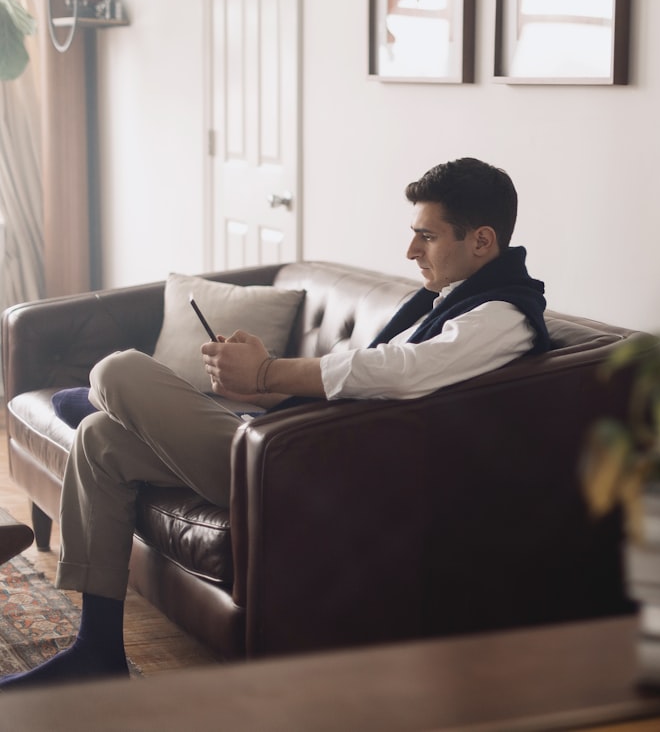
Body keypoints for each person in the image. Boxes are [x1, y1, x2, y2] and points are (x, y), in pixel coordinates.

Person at [0, 157, 549, 689]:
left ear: (481, 240)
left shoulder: (503, 316)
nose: (410, 251)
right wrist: (263, 388)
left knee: (116, 371)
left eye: (427, 237)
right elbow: (363, 388)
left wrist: (267, 371)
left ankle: (128, 407)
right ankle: (96, 651)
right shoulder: (448, 301)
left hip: (311, 478)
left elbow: (402, 372)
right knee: (99, 439)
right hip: (292, 448)